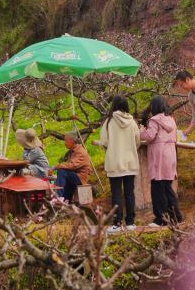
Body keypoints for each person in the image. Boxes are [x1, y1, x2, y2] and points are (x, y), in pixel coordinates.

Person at [99, 95, 140, 232]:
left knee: (116, 193)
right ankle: (130, 223)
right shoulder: (132, 122)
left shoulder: (109, 122)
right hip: (130, 162)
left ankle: (117, 223)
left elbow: (104, 142)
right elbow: (137, 141)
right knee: (129, 193)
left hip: (115, 162)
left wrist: (109, 148)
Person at [140, 96, 183, 227]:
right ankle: (176, 217)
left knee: (157, 188)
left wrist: (141, 130)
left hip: (159, 156)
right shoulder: (171, 120)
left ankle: (161, 219)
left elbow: (149, 136)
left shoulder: (154, 120)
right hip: (170, 155)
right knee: (167, 187)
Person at [54, 132, 92, 202]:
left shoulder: (80, 151)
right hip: (75, 175)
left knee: (62, 171)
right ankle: (66, 200)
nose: (65, 143)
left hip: (81, 177)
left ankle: (59, 197)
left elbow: (71, 165)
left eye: (66, 140)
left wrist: (56, 167)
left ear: (72, 141)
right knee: (66, 178)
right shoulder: (72, 151)